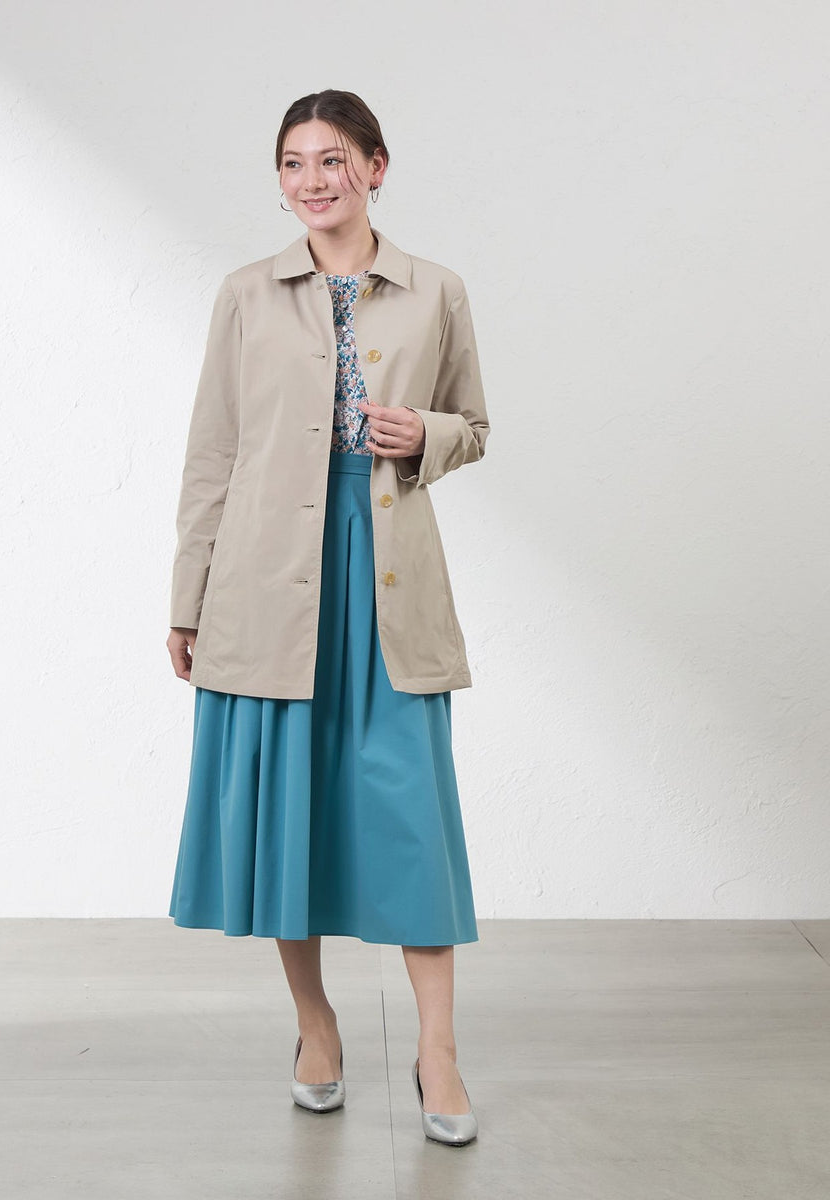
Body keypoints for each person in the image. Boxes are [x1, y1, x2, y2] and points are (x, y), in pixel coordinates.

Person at [165, 89, 489, 1146]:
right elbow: (214, 453)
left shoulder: (436, 289)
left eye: (334, 159)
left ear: (375, 168)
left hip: (385, 572)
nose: (314, 180)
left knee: (412, 816)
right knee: (288, 814)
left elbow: (475, 424)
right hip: (265, 580)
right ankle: (314, 1025)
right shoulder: (245, 294)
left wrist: (425, 433)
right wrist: (187, 598)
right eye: (295, 163)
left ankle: (437, 1049)